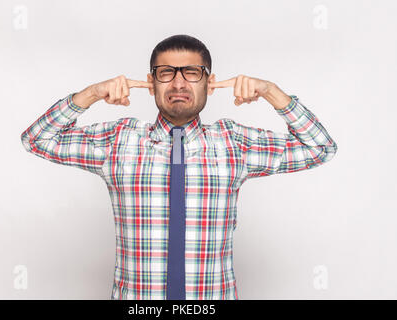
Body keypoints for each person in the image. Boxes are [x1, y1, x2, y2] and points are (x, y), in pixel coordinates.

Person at [20, 34, 337, 300]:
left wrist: (271, 92)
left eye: (192, 72)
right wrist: (89, 95)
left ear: (210, 83)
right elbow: (36, 140)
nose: (179, 83)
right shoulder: (117, 141)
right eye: (166, 73)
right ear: (151, 82)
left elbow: (321, 148)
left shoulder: (234, 143)